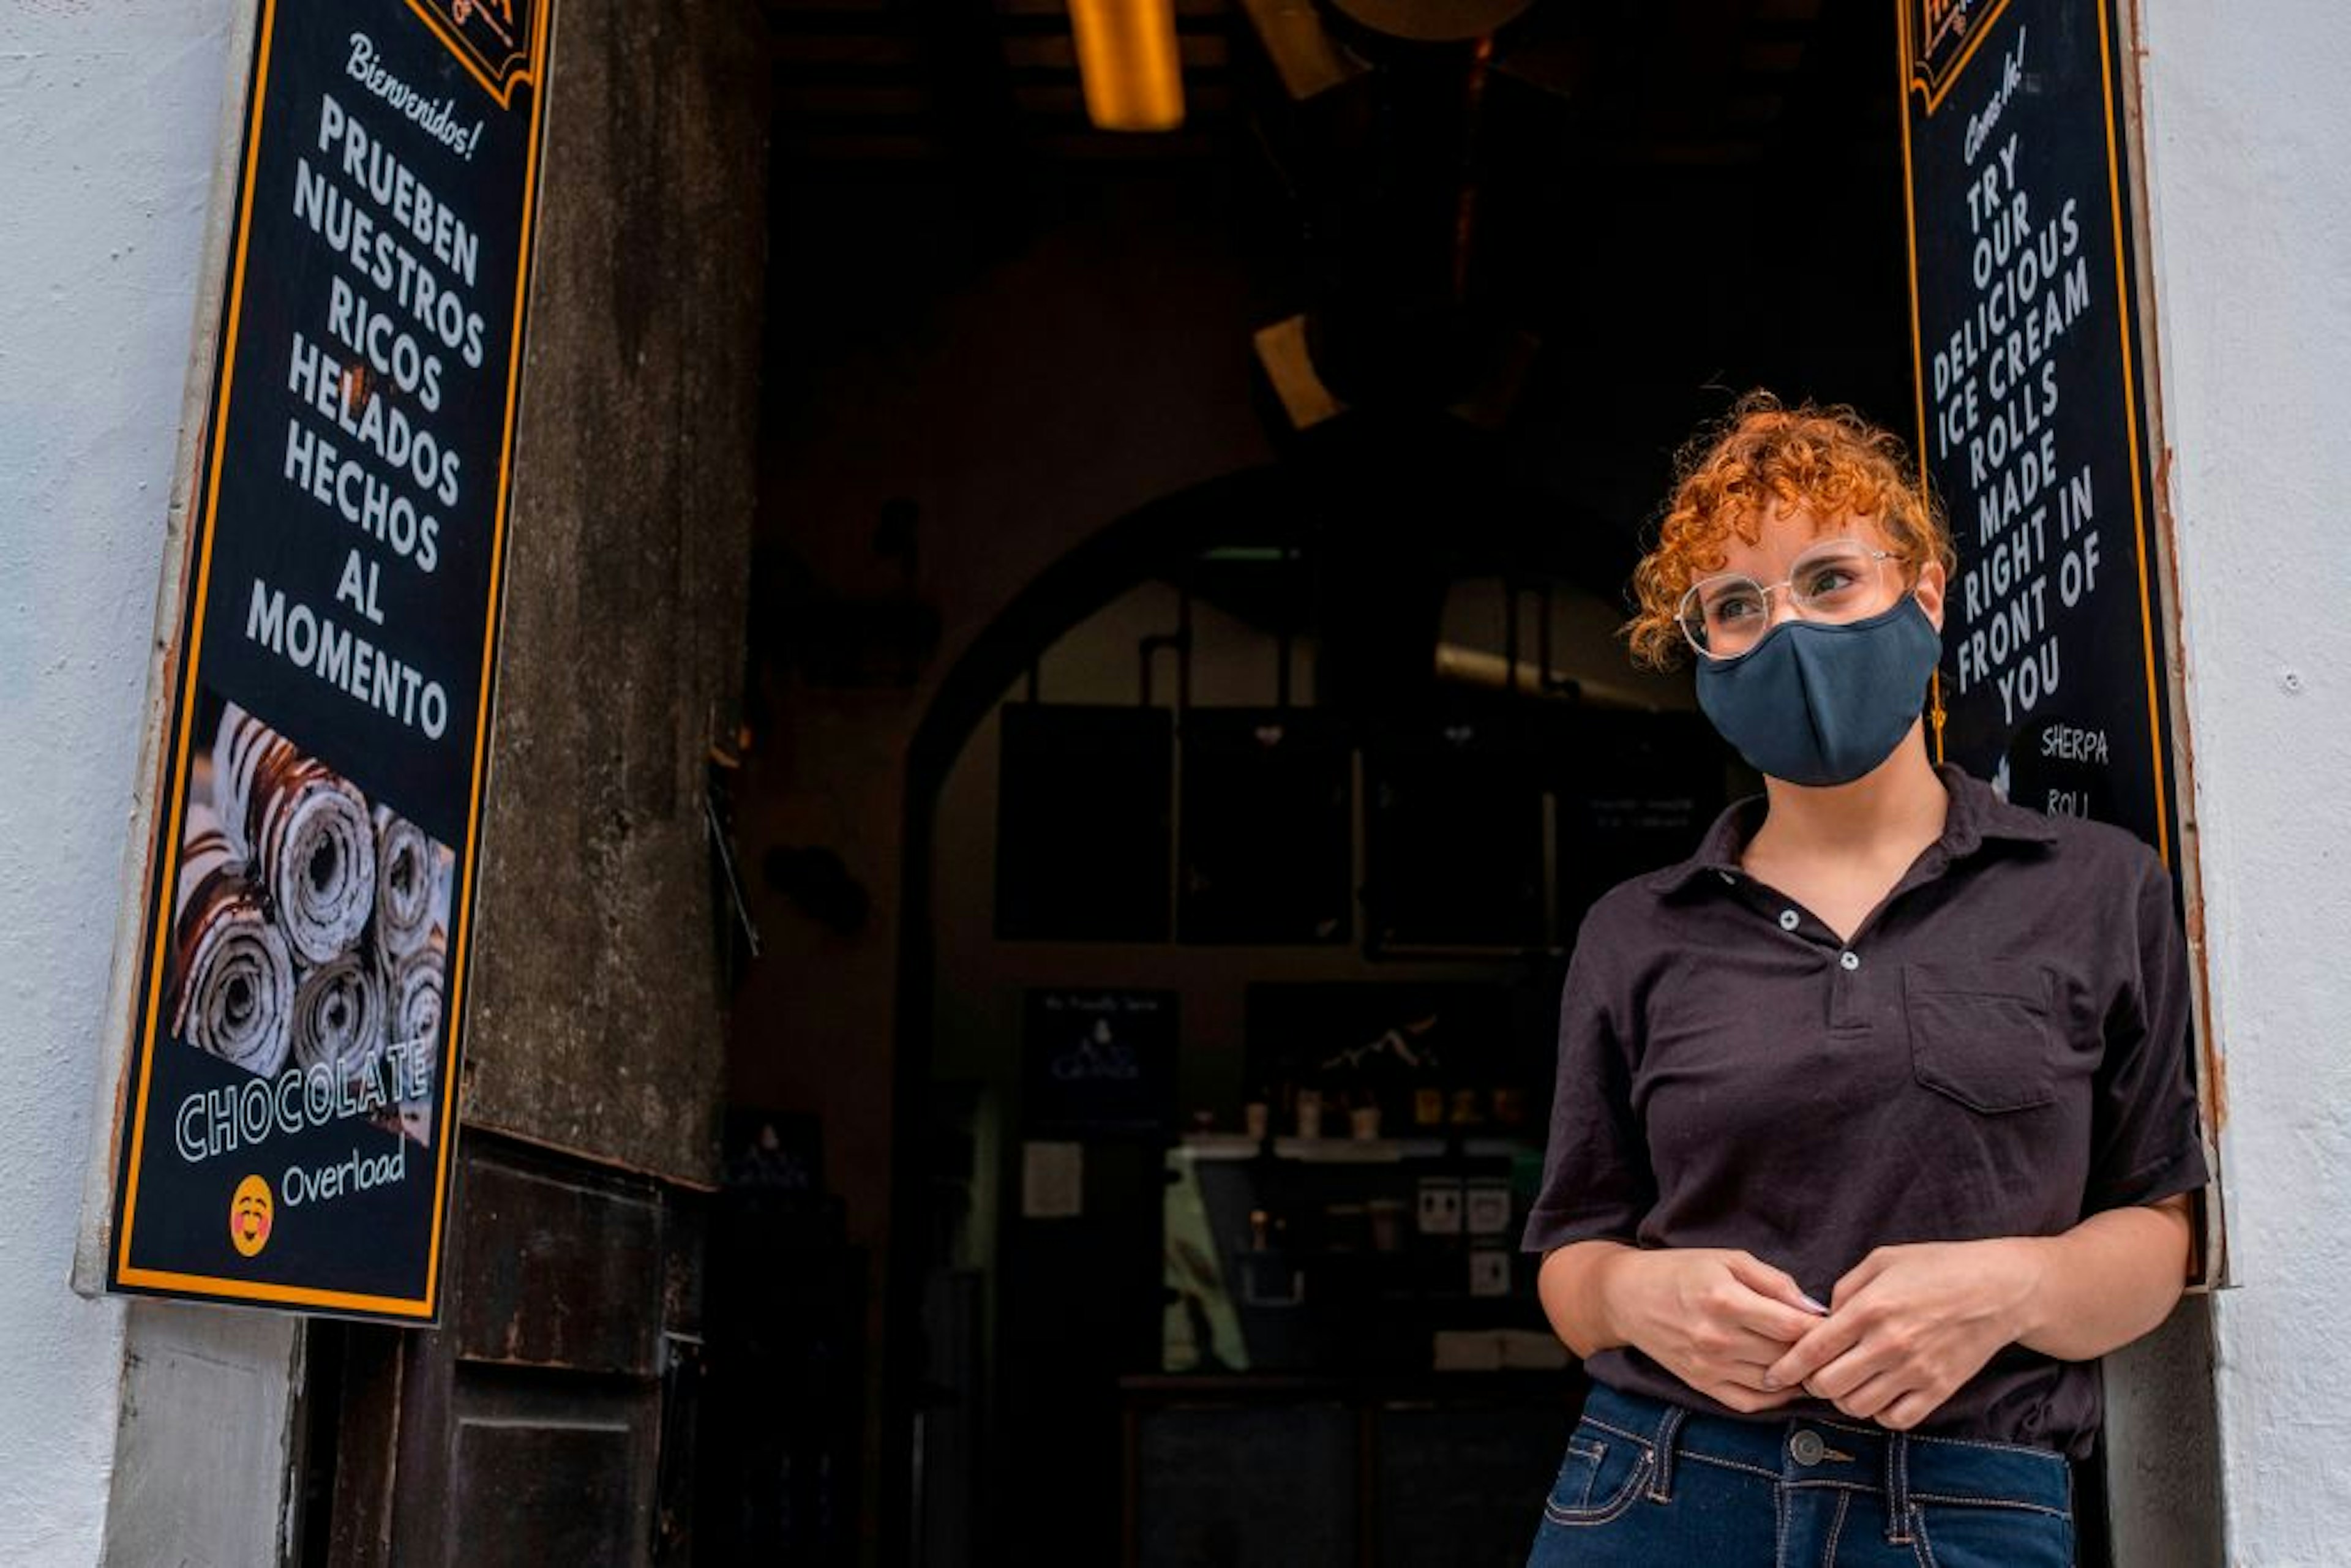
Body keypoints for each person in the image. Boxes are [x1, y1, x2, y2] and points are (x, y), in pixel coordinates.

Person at [1520, 394, 2210, 1567]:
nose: (1786, 630)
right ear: (1703, 655)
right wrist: (1637, 1301)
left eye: (1830, 580)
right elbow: (1573, 1255)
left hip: (1966, 1503)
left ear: (1924, 594)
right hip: (1656, 1486)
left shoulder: (2096, 887)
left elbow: (2162, 1228)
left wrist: (2018, 1284)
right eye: (1736, 607)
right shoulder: (1636, 931)